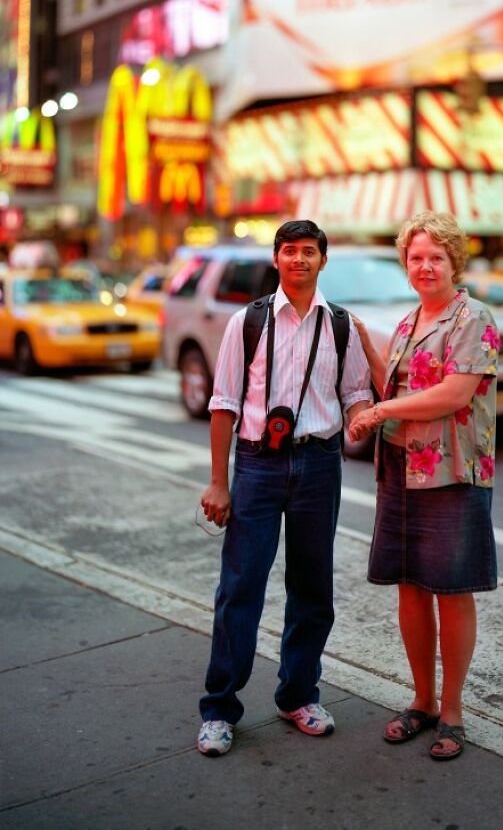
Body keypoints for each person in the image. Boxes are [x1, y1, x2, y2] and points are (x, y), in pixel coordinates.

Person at [197, 219, 372, 756]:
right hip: (257, 465)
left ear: (323, 260)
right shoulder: (246, 324)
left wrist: (373, 416)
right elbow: (224, 403)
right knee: (240, 587)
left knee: (313, 588)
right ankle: (220, 708)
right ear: (276, 259)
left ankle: (298, 694)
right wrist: (217, 482)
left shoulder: (341, 325)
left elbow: (356, 394)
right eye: (290, 251)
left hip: (320, 464)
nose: (299, 260)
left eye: (309, 252)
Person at [348, 211, 499, 761]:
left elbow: (453, 394)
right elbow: (394, 384)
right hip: (400, 468)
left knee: (451, 591)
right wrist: (366, 345)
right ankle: (422, 700)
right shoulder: (410, 322)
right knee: (410, 585)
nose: (425, 265)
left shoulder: (473, 317)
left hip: (451, 471)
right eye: (416, 257)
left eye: (436, 256)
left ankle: (453, 711)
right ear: (405, 264)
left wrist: (381, 408)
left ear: (454, 260)